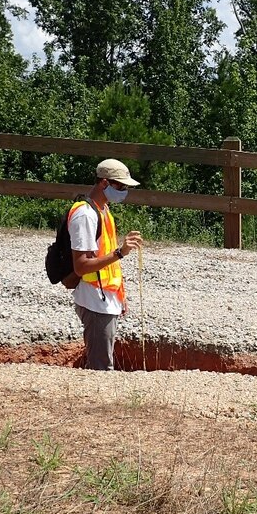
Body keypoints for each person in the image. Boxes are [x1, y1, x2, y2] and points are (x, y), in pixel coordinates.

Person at [69, 159, 143, 370]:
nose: (124, 191)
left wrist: (120, 296)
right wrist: (120, 252)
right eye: (120, 186)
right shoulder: (85, 215)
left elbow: (110, 264)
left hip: (106, 299)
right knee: (101, 368)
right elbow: (81, 266)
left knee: (103, 363)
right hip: (95, 302)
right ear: (104, 183)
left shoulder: (103, 210)